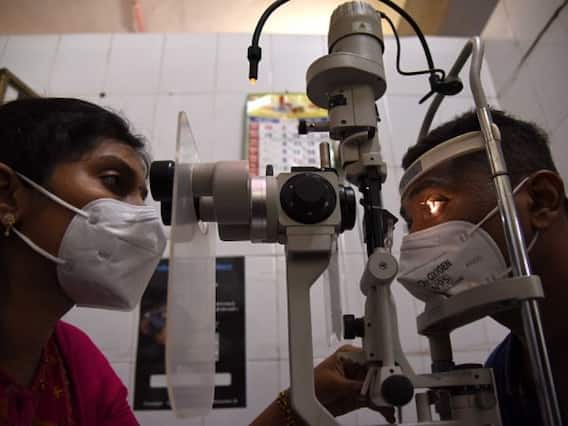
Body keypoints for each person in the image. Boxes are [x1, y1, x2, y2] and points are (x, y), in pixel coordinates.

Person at [0, 98, 392, 425]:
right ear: (7, 196)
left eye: (143, 196)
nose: (143, 218)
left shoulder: (76, 363)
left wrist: (302, 401)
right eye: (113, 181)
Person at [397, 109, 567, 425]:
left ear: (541, 201)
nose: (415, 237)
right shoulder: (501, 378)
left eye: (434, 204)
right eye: (409, 223)